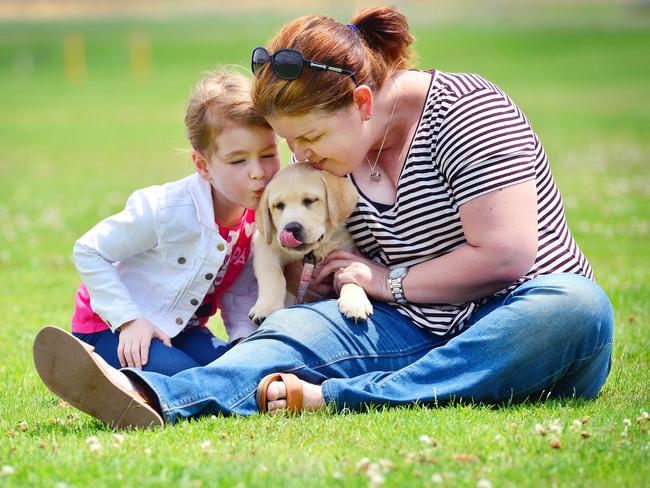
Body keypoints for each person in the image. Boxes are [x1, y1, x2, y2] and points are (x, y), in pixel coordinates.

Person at [33, 6, 613, 428]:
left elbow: (507, 253)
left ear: (362, 103)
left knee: (577, 308)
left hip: (518, 326)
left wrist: (384, 281)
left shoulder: (466, 110)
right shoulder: (338, 159)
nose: (301, 160)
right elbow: (303, 254)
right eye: (293, 144)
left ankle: (340, 398)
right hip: (403, 326)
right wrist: (308, 286)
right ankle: (151, 395)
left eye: (309, 138)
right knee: (293, 329)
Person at [66, 70, 281, 375]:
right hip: (112, 328)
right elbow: (89, 250)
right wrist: (129, 319)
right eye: (238, 161)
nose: (258, 172)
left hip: (181, 329)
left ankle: (141, 380)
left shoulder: (257, 219)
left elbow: (240, 293)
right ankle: (97, 374)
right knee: (190, 378)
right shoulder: (166, 209)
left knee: (242, 374)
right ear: (203, 165)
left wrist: (242, 341)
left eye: (268, 154)